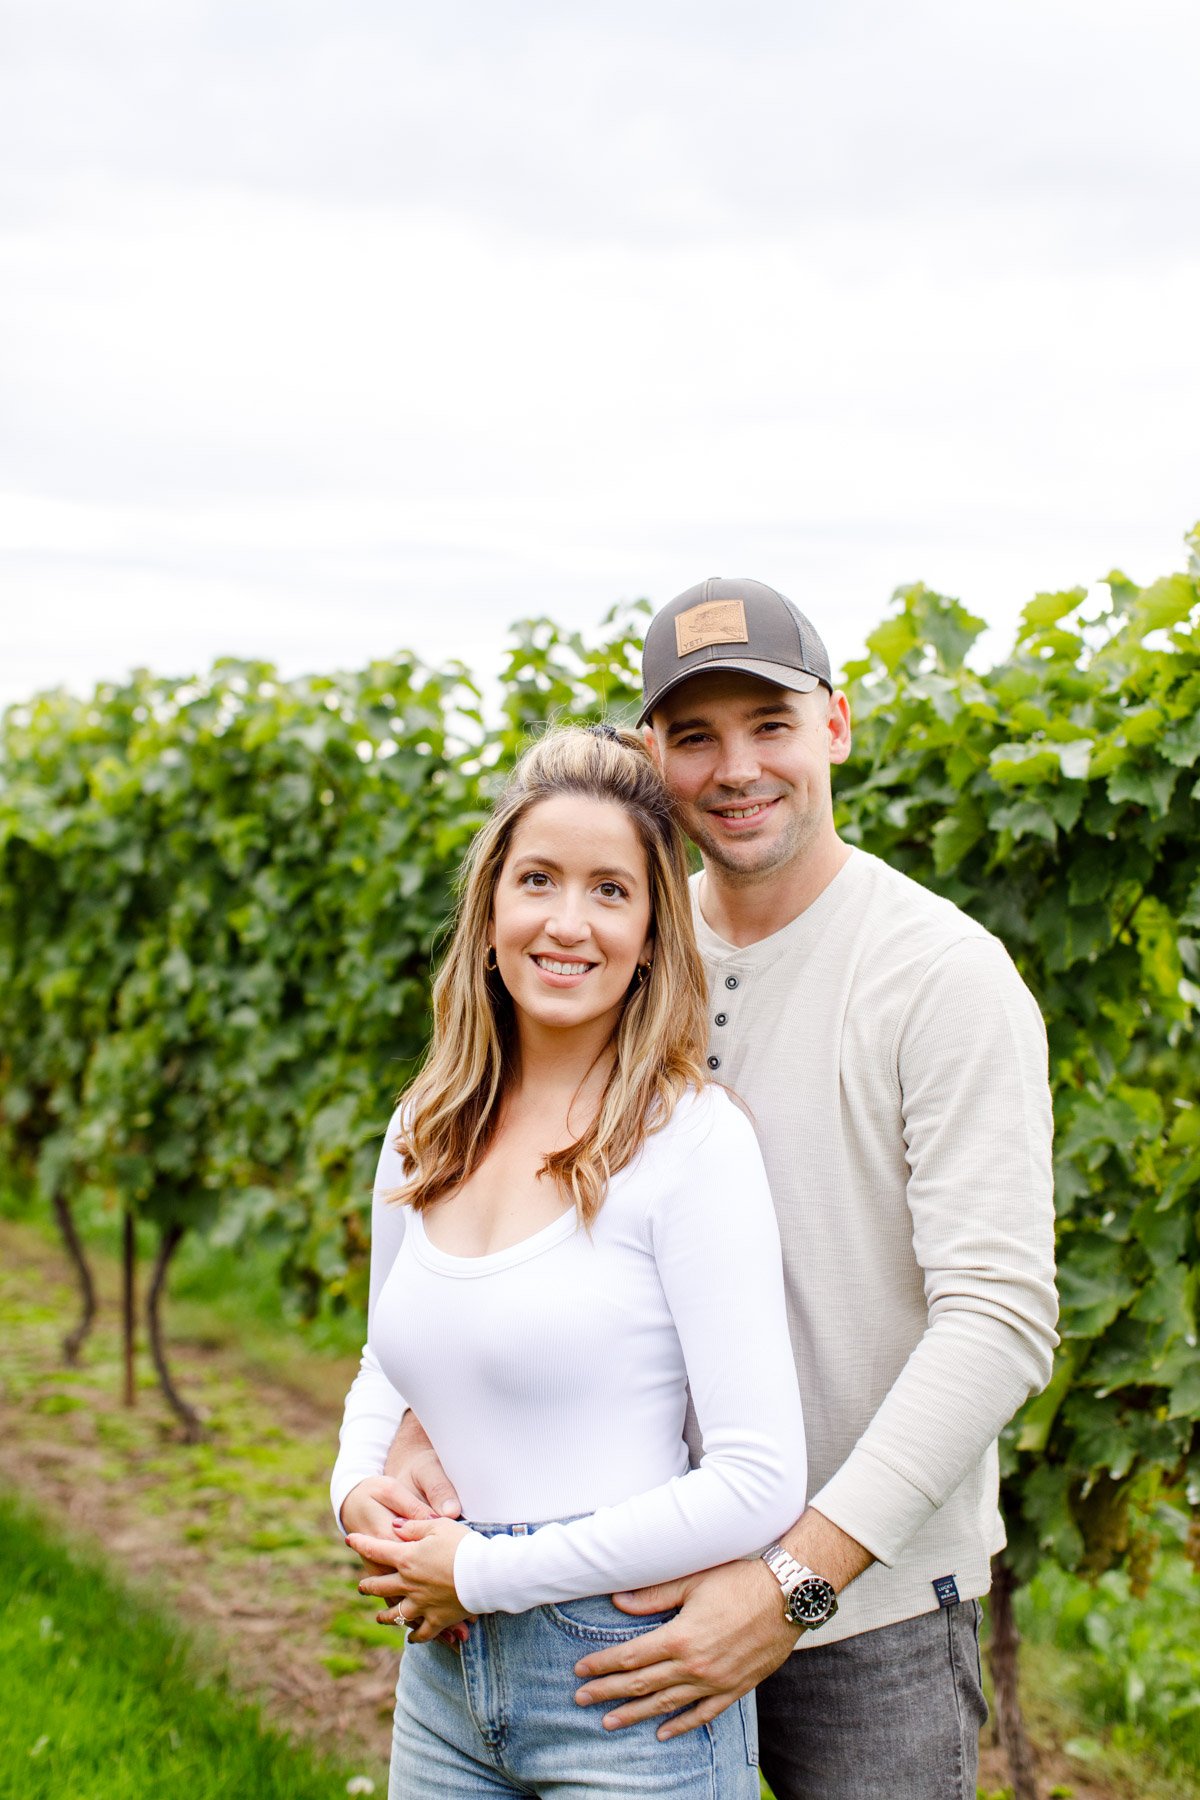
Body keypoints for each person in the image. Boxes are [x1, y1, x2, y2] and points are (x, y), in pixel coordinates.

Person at [366, 580, 1060, 1800]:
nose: (737, 768)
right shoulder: (624, 940)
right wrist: (437, 1406)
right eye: (695, 736)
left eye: (770, 725)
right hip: (623, 1598)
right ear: (654, 758)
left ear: (835, 727)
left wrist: (792, 1581)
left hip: (870, 1610)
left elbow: (999, 1323)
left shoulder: (941, 975)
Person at [332, 722, 807, 1799]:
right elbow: (385, 1362)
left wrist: (487, 1572)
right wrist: (354, 1488)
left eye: (609, 891)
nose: (566, 923)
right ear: (491, 907)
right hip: (445, 1683)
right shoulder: (426, 1124)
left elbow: (756, 1478)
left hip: (627, 1688)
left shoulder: (689, 1142)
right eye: (538, 880)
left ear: (651, 934)